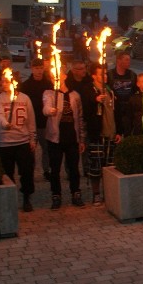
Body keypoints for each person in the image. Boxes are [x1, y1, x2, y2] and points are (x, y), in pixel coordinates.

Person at [0, 74, 37, 211]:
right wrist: (5, 124)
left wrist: (32, 138)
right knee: (7, 173)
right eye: (2, 81)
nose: (3, 84)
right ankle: (10, 200)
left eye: (6, 81)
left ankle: (26, 198)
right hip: (5, 143)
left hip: (22, 141)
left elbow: (31, 120)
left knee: (26, 172)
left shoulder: (24, 98)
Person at [43, 74, 86, 209]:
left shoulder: (75, 95)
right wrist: (50, 110)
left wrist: (81, 139)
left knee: (74, 168)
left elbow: (80, 117)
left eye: (58, 75)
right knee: (55, 169)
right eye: (52, 76)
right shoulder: (49, 93)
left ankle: (76, 193)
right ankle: (56, 195)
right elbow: (45, 108)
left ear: (65, 76)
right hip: (55, 138)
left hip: (72, 137)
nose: (55, 78)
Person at [83, 63, 119, 206]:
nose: (104, 76)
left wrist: (119, 131)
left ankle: (109, 193)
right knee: (96, 167)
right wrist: (95, 100)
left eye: (105, 74)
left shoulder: (110, 91)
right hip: (98, 134)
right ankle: (96, 194)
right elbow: (87, 105)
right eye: (101, 74)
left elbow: (116, 112)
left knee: (110, 166)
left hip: (111, 133)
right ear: (94, 76)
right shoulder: (89, 90)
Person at [20, 59, 54, 180]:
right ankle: (30, 170)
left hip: (45, 121)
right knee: (31, 150)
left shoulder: (48, 84)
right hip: (31, 122)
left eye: (41, 68)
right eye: (36, 68)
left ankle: (47, 170)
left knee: (46, 148)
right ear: (32, 69)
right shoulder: (26, 86)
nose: (39, 71)